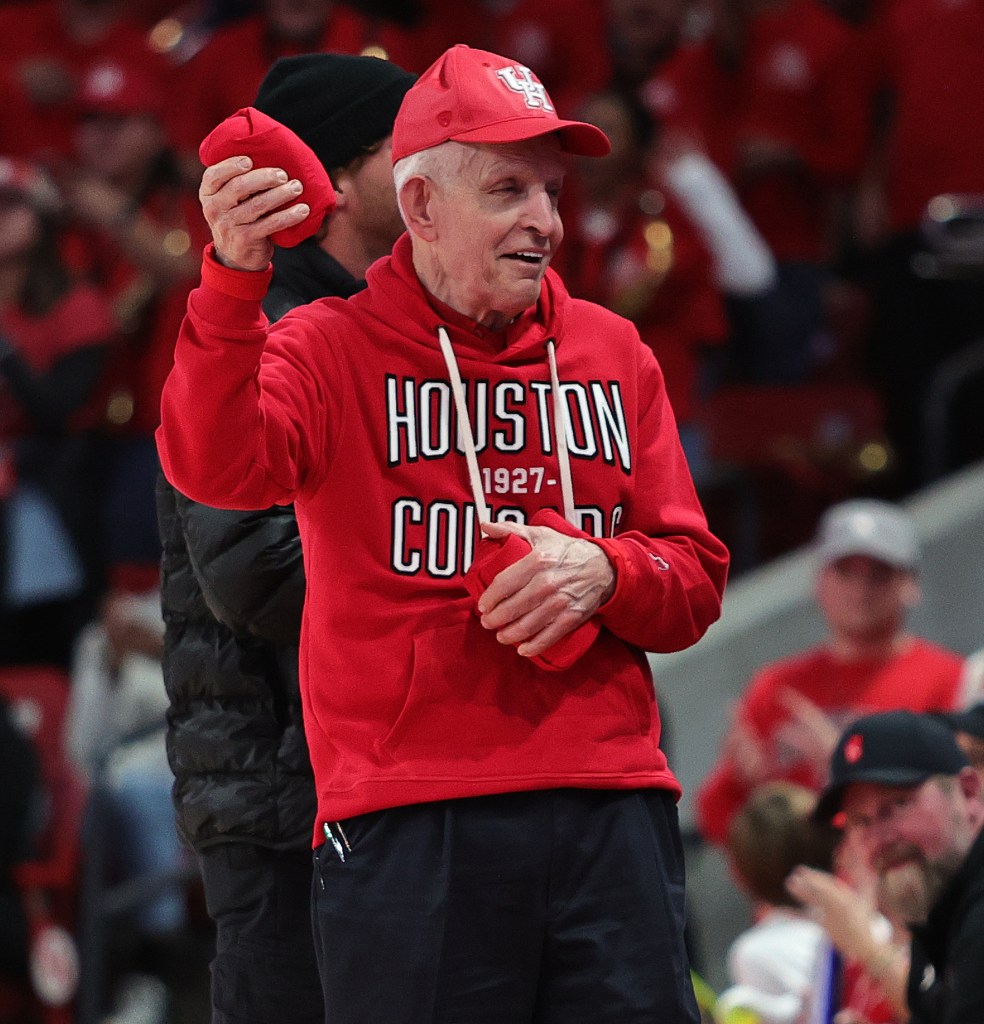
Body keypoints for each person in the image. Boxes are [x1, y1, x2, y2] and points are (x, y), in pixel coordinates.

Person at [156, 42, 730, 1024]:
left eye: (551, 191)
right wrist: (232, 282)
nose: (545, 222)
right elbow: (215, 467)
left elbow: (695, 577)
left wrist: (605, 568)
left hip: (610, 801)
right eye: (508, 189)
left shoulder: (611, 350)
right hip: (409, 812)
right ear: (419, 208)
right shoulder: (324, 346)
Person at [156, 52, 417, 1024]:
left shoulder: (381, 320)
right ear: (337, 178)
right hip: (278, 791)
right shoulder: (256, 325)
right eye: (407, 147)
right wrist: (456, 562)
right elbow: (255, 578)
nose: (435, 163)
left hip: (364, 781)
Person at [696, 497, 966, 847]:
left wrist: (847, 771)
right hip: (800, 883)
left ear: (910, 583)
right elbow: (715, 817)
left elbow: (962, 808)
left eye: (878, 573)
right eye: (845, 571)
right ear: (818, 580)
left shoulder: (952, 681)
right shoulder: (777, 686)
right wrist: (752, 792)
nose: (860, 588)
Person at [814, 709, 984, 1023]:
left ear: (969, 792)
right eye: (860, 821)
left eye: (897, 805)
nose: (879, 839)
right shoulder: (937, 917)